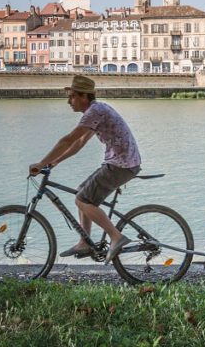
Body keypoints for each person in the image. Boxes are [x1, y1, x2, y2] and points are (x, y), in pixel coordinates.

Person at [29, 75, 141, 263]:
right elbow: (79, 143)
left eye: (72, 96)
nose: (68, 101)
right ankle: (85, 242)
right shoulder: (96, 111)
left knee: (83, 200)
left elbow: (68, 139)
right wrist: (55, 161)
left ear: (84, 96)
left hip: (121, 164)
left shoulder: (94, 112)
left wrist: (41, 163)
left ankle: (116, 236)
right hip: (119, 162)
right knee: (82, 193)